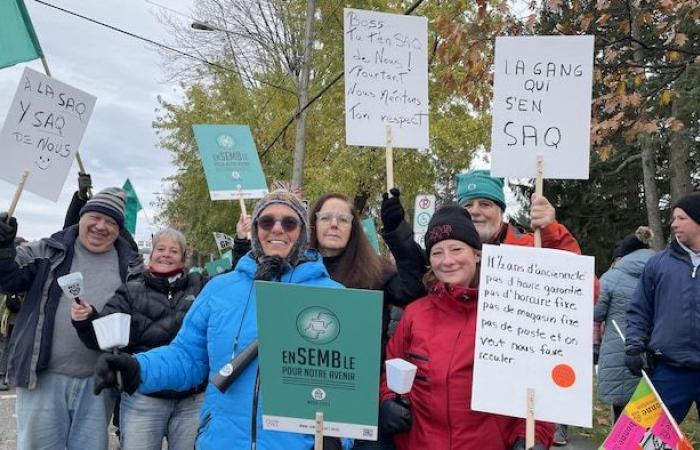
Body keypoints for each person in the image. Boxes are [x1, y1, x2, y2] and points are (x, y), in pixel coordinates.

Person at [90, 189, 345, 449]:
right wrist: (136, 368)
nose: (277, 229)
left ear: (302, 232)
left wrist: (339, 438)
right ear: (256, 229)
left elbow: (348, 381)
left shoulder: (332, 295)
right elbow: (188, 356)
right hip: (222, 441)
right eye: (267, 221)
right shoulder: (220, 289)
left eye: (289, 222)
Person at [378, 206, 552, 450]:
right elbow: (391, 369)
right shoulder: (415, 314)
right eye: (437, 252)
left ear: (477, 254)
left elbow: (539, 384)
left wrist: (533, 436)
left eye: (456, 249)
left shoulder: (510, 312)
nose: (447, 260)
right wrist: (387, 401)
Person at [456, 169, 592, 445]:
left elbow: (585, 292)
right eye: (467, 205)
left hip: (519, 402)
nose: (475, 212)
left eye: (485, 204)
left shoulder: (531, 248)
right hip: (463, 396)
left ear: (501, 210)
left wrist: (552, 232)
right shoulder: (447, 257)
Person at [0, 187, 143, 450]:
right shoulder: (48, 250)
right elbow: (6, 278)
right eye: (96, 217)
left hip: (98, 385)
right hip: (42, 379)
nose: (101, 226)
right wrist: (3, 247)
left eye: (110, 221)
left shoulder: (132, 266)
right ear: (82, 217)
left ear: (119, 228)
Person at [308, 191, 426, 450]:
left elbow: (412, 288)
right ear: (314, 224)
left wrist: (398, 232)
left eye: (343, 218)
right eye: (326, 217)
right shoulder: (296, 273)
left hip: (363, 402)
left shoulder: (375, 271)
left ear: (354, 227)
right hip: (308, 399)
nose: (334, 224)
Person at [71, 228, 205, 450]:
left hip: (191, 399)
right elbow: (102, 335)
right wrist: (86, 320)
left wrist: (241, 242)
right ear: (151, 255)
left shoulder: (199, 286)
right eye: (160, 249)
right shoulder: (130, 291)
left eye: (174, 250)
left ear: (183, 257)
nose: (166, 254)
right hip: (144, 397)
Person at [626, 191, 700, 424]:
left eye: (681, 218)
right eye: (673, 217)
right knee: (640, 437)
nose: (673, 224)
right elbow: (640, 309)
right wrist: (635, 346)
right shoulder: (658, 264)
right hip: (669, 369)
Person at [595, 226, 654, 423]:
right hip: (654, 351)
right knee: (649, 408)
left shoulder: (612, 277)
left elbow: (596, 312)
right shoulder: (661, 272)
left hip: (619, 350)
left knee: (622, 409)